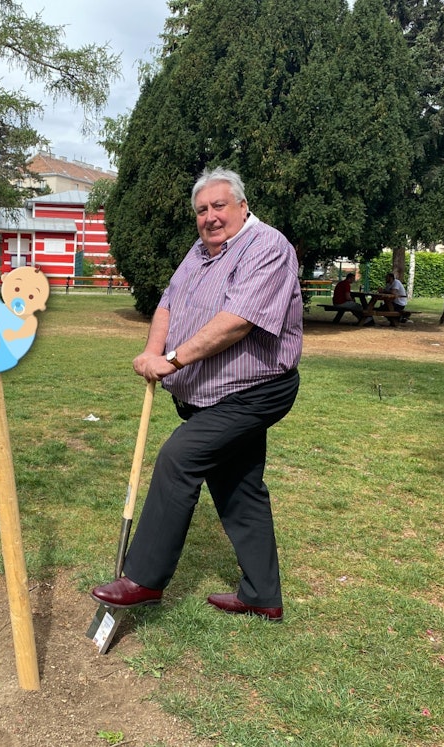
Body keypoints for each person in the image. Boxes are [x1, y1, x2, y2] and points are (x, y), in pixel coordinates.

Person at [90, 167, 302, 622]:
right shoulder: (199, 252)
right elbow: (169, 301)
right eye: (202, 210)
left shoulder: (268, 247)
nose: (210, 216)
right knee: (239, 487)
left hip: (256, 390)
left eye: (219, 205)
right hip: (213, 394)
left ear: (243, 206)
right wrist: (150, 353)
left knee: (179, 458)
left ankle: (143, 578)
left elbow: (238, 320)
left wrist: (174, 360)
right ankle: (262, 595)